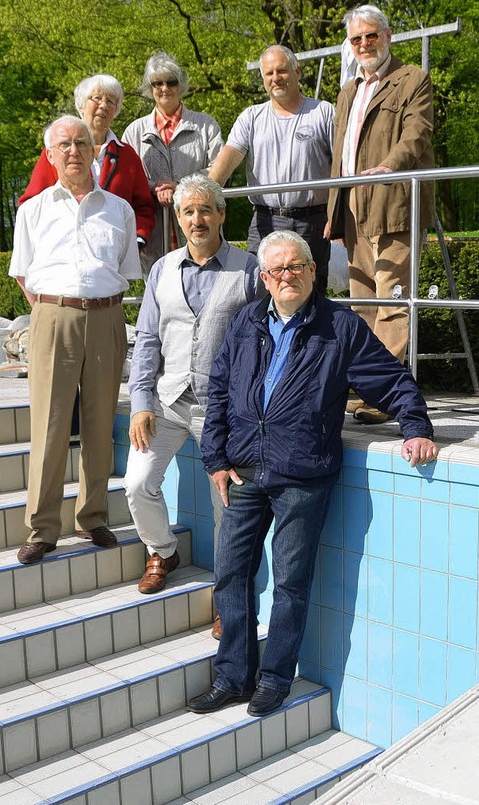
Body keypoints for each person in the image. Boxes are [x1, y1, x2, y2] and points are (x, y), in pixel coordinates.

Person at [187, 230, 438, 716]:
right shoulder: (246, 323)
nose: (288, 276)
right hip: (243, 469)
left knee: (291, 582)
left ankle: (276, 678)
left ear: (312, 270)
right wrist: (215, 458)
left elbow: (390, 379)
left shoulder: (339, 327)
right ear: (264, 277)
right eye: (277, 269)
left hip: (302, 473)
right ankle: (233, 675)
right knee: (232, 575)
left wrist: (416, 427)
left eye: (296, 266)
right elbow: (218, 391)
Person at [124, 175, 262, 618]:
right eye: (188, 212)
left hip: (225, 412)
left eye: (206, 210)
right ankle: (163, 551)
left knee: (227, 508)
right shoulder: (162, 269)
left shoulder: (250, 270)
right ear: (179, 219)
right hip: (167, 403)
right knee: (138, 483)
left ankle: (228, 598)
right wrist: (141, 401)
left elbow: (267, 339)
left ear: (222, 214)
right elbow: (147, 339)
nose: (197, 219)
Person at [9, 116, 141, 564]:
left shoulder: (119, 209)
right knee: (49, 423)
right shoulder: (33, 210)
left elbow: (124, 271)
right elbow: (24, 273)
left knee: (100, 422)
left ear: (94, 152)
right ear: (50, 155)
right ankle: (42, 527)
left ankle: (93, 516)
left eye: (81, 143)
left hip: (106, 319)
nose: (73, 151)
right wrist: (55, 308)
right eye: (63, 144)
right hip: (52, 317)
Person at [326, 5, 435, 424]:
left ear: (388, 36)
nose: (364, 44)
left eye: (371, 36)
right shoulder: (348, 90)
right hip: (355, 206)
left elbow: (417, 132)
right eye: (356, 39)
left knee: (392, 302)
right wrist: (334, 209)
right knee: (362, 306)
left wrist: (392, 164)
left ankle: (387, 395)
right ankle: (368, 384)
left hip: (395, 200)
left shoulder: (412, 79)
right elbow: (340, 155)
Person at [208, 46, 334, 293]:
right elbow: (229, 157)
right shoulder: (251, 117)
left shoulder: (323, 112)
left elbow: (343, 165)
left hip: (313, 221)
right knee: (260, 294)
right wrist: (206, 194)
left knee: (310, 297)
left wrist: (338, 216)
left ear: (297, 72)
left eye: (282, 70)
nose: (275, 78)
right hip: (265, 221)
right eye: (269, 73)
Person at [19, 74, 155, 250]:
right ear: (81, 106)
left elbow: (143, 207)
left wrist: (137, 240)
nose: (103, 105)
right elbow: (30, 205)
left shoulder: (127, 156)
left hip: (113, 257)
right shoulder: (56, 152)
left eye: (111, 101)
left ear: (116, 110)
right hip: (63, 252)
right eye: (97, 98)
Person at [122, 52, 224, 276]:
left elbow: (220, 168)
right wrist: (155, 187)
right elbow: (129, 176)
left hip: (199, 224)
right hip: (155, 231)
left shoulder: (206, 125)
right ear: (150, 89)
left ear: (181, 85)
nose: (164, 88)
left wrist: (181, 186)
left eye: (171, 82)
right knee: (160, 291)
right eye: (157, 83)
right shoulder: (134, 131)